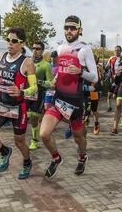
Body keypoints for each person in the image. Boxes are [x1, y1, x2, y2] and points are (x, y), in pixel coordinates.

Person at [40, 15, 98, 179]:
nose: (69, 31)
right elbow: (60, 71)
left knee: (79, 138)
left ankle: (82, 157)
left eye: (73, 28)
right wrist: (55, 80)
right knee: (44, 134)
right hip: (58, 100)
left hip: (75, 102)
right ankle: (56, 158)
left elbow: (95, 78)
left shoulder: (85, 49)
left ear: (80, 30)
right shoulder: (59, 49)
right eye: (66, 27)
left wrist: (80, 72)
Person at [0, 27, 38, 179]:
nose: (10, 43)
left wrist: (22, 92)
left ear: (22, 43)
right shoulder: (1, 56)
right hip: (1, 105)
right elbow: (2, 77)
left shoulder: (27, 62)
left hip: (18, 108)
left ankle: (27, 162)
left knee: (19, 142)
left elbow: (34, 88)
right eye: (8, 40)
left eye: (14, 41)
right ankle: (5, 151)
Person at [26, 41, 53, 150]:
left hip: (38, 94)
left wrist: (39, 82)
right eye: (33, 48)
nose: (34, 50)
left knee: (33, 118)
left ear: (42, 51)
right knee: (23, 116)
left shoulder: (46, 65)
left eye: (37, 49)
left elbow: (51, 83)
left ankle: (34, 140)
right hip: (26, 92)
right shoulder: (27, 62)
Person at [105, 46, 122, 112]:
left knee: (115, 96)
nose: (116, 52)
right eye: (115, 50)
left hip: (120, 81)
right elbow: (107, 67)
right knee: (109, 94)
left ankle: (120, 107)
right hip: (112, 80)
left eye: (118, 50)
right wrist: (106, 68)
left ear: (121, 51)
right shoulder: (111, 58)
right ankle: (109, 107)